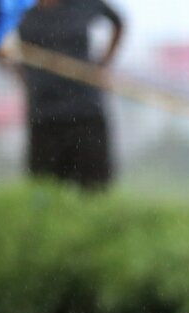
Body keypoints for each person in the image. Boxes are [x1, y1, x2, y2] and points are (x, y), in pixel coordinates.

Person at [15, 0, 124, 189]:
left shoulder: (83, 4)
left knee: (94, 188)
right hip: (44, 115)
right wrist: (20, 74)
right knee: (44, 189)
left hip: (85, 112)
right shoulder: (20, 10)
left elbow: (118, 22)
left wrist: (104, 64)